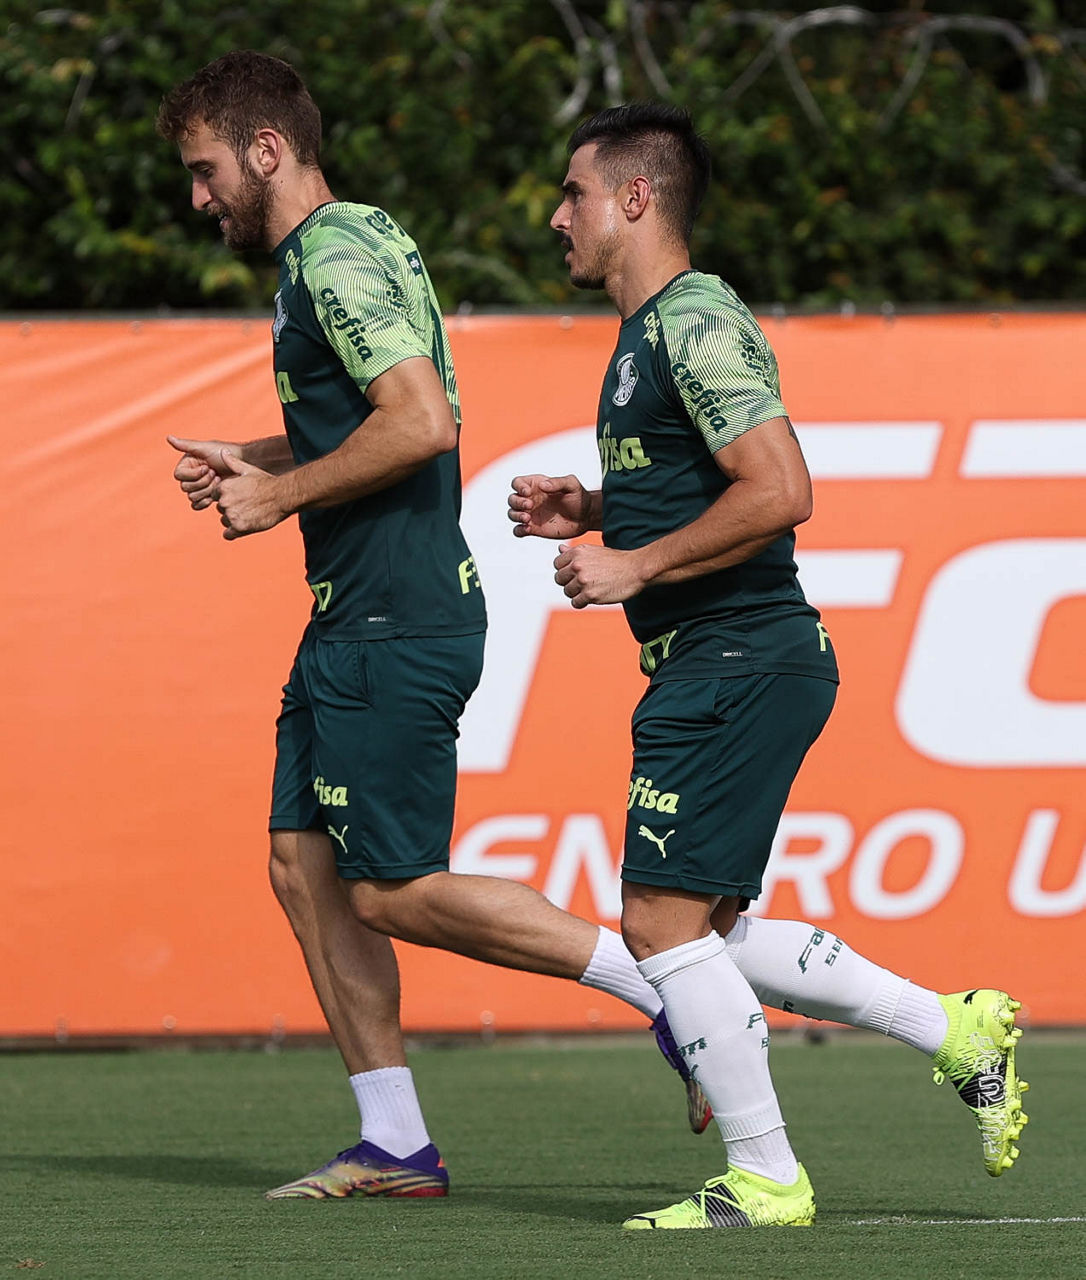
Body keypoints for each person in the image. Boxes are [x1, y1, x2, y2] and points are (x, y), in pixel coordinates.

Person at [156, 54, 709, 1202]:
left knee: (391, 888)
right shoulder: (351, 239)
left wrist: (277, 494)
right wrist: (253, 454)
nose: (198, 196)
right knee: (303, 866)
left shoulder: (333, 256)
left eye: (206, 169)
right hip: (352, 615)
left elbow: (421, 421)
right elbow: (384, 418)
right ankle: (395, 1139)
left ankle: (670, 992)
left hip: (391, 616)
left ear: (267, 149)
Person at [507, 103, 1029, 1229]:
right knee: (707, 932)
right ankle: (954, 1029)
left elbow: (782, 488)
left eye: (574, 193)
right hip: (725, 659)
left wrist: (634, 562)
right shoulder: (646, 333)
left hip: (735, 656)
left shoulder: (694, 319)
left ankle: (766, 1178)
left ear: (636, 198)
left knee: (659, 924)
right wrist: (591, 508)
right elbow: (705, 488)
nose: (558, 217)